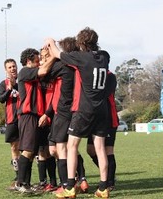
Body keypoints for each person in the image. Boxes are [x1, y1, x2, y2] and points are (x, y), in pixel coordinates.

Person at [45, 27, 110, 198]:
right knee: (100, 148)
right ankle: (104, 188)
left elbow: (58, 54)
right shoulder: (105, 56)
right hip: (102, 109)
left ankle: (70, 186)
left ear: (81, 43)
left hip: (84, 110)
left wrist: (50, 42)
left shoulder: (81, 58)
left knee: (72, 146)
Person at [15, 48, 55, 194]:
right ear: (28, 61)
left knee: (32, 152)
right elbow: (43, 71)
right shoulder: (25, 71)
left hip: (36, 116)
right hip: (28, 116)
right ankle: (21, 183)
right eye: (36, 61)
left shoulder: (33, 75)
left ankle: (26, 183)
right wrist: (55, 56)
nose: (39, 64)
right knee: (28, 150)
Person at [87, 68, 119, 191]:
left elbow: (103, 94)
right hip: (95, 119)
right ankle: (108, 173)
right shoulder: (93, 75)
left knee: (107, 151)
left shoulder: (110, 76)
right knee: (91, 150)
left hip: (109, 119)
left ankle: (109, 182)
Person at [0, 58, 20, 190]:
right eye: (10, 67)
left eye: (14, 66)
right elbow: (1, 99)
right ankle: (18, 175)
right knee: (14, 147)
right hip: (11, 120)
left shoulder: (23, 80)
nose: (12, 69)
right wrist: (9, 89)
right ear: (6, 70)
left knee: (28, 149)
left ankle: (35, 177)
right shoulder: (3, 83)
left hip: (24, 119)